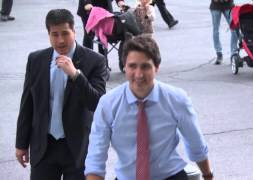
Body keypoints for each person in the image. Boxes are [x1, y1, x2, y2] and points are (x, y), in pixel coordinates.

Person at [85, 35, 214, 180]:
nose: (139, 74)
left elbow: (195, 143)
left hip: (170, 176)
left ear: (157, 68)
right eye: (132, 66)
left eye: (145, 66)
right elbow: (96, 155)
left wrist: (208, 174)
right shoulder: (108, 104)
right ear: (124, 67)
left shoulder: (176, 99)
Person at [15, 9, 108, 180]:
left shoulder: (95, 61)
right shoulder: (36, 60)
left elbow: (97, 103)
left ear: (74, 31)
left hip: (78, 148)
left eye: (65, 33)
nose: (61, 40)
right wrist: (21, 143)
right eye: (55, 34)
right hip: (44, 147)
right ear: (48, 34)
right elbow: (27, 104)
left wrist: (76, 75)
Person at [209, 0, 237, 65]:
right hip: (215, 6)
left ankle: (233, 54)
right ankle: (219, 53)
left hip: (228, 5)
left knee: (234, 29)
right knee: (216, 31)